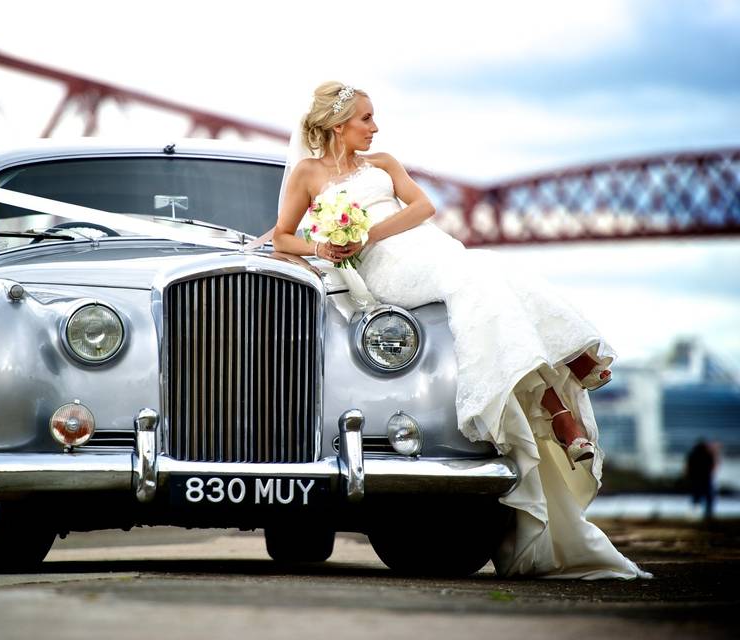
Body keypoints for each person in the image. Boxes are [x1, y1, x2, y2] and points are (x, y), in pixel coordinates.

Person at [272, 81, 651, 579]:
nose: (375, 126)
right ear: (338, 124)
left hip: (423, 245)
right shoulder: (306, 173)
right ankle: (563, 382)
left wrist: (366, 231)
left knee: (489, 271)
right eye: (366, 118)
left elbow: (424, 208)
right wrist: (325, 248)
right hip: (387, 269)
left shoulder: (384, 162)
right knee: (477, 279)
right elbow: (282, 236)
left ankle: (558, 389)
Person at [686, 439, 718, 520]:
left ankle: (695, 515)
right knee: (708, 498)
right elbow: (713, 466)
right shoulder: (708, 454)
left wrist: (690, 476)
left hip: (696, 479)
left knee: (696, 497)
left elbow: (688, 467)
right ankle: (708, 514)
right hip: (706, 479)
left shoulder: (692, 454)